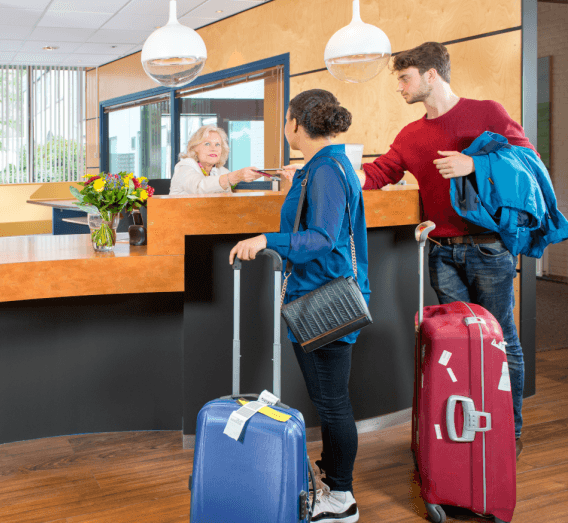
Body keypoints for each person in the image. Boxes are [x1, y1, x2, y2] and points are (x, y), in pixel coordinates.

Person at [356, 42, 534, 459]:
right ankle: (471, 428)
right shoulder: (410, 135)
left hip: (490, 250)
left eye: (405, 78)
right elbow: (378, 174)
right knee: (461, 344)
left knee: (501, 339)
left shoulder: (487, 112)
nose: (400, 87)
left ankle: (511, 433)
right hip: (441, 253)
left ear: (431, 75)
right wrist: (329, 168)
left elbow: (528, 161)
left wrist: (476, 165)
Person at [229, 89, 369, 523]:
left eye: (286, 119)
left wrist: (265, 240)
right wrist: (293, 187)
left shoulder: (327, 170)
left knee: (332, 404)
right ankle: (332, 476)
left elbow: (322, 239)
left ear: (296, 123)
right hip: (315, 297)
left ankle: (342, 499)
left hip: (325, 301)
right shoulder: (321, 167)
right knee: (328, 399)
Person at [169, 125, 263, 195]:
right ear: (194, 148)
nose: (213, 148)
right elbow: (200, 188)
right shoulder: (184, 167)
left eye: (217, 144)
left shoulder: (221, 171)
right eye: (207, 144)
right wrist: (236, 176)